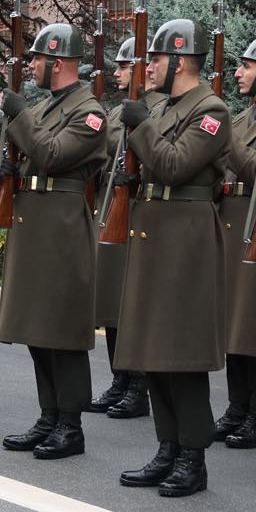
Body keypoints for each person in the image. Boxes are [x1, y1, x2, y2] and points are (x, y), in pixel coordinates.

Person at [114, 18, 229, 495]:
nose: (149, 68)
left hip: (185, 238)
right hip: (155, 232)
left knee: (181, 356)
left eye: (157, 59)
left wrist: (141, 126)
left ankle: (192, 458)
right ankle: (167, 447)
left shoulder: (212, 111)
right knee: (154, 352)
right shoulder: (166, 106)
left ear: (180, 61)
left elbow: (175, 164)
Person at [0, 22, 111, 460]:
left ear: (57, 63)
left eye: (38, 60)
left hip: (62, 227)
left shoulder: (90, 113)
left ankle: (70, 424)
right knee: (37, 330)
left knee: (61, 331)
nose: (32, 67)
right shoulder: (47, 106)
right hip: (36, 223)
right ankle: (48, 415)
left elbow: (50, 155)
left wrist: (19, 114)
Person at [215, 34, 256, 449]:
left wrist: (227, 141)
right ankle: (237, 406)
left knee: (254, 323)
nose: (238, 73)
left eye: (247, 66)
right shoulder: (242, 119)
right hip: (231, 221)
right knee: (233, 321)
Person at [90, 37, 159, 419]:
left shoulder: (158, 107)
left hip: (140, 212)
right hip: (113, 206)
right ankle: (120, 378)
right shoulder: (118, 112)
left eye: (123, 67)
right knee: (114, 300)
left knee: (135, 302)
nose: (117, 74)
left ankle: (140, 385)